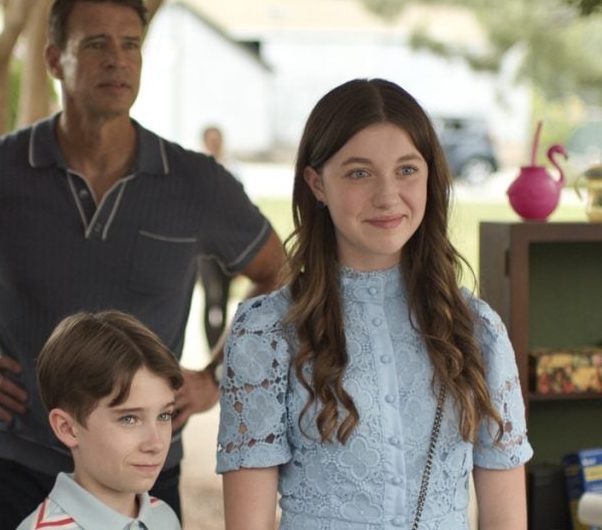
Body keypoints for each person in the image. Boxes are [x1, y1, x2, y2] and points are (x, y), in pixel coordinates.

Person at [0, 0, 285, 530]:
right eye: (95, 43)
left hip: (146, 475)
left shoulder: (195, 182)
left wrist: (217, 374)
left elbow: (278, 274)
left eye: (130, 44)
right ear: (54, 59)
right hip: (23, 468)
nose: (117, 59)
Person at [217, 78, 532, 530]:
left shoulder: (477, 329)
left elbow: (506, 520)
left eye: (407, 170)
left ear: (430, 177)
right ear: (317, 184)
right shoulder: (266, 332)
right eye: (359, 173)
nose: (387, 196)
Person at [17, 310, 183, 529]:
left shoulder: (164, 517)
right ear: (67, 428)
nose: (156, 444)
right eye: (129, 419)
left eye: (164, 415)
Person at [197, 125, 236, 349]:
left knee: (223, 299)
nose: (215, 144)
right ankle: (212, 348)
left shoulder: (232, 168)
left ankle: (222, 347)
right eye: (210, 140)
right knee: (211, 297)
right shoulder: (197, 169)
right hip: (205, 250)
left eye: (217, 140)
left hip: (228, 247)